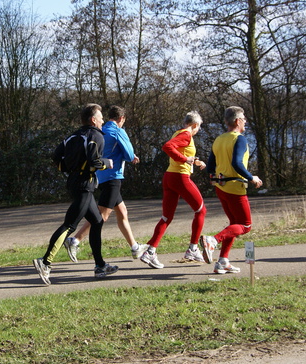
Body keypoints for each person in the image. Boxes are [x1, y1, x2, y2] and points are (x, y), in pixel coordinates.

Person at [33, 103, 119, 285]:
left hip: (74, 182)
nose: (103, 120)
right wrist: (107, 163)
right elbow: (95, 161)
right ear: (93, 120)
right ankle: (45, 262)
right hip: (84, 185)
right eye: (101, 117)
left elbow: (56, 157)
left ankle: (100, 265)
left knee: (97, 221)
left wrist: (70, 168)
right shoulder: (96, 136)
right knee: (69, 225)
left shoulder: (72, 136)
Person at [63, 105, 145, 262]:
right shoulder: (118, 131)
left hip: (100, 175)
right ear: (121, 118)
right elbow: (128, 155)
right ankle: (75, 240)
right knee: (102, 215)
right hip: (113, 177)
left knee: (122, 212)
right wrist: (131, 155)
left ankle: (135, 247)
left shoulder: (101, 130)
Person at [139, 110, 208, 269]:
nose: (198, 130)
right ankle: (193, 249)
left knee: (166, 217)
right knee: (201, 210)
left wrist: (194, 161)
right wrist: (185, 159)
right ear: (195, 125)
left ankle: (150, 251)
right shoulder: (186, 134)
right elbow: (168, 147)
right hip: (179, 178)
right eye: (199, 127)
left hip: (169, 177)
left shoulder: (178, 133)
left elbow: (180, 151)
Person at [201, 106, 263, 274]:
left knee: (234, 224)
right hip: (235, 187)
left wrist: (216, 179)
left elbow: (210, 168)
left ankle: (223, 261)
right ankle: (212, 241)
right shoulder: (240, 139)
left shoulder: (219, 139)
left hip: (221, 188)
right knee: (245, 225)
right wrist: (252, 177)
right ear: (237, 121)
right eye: (244, 119)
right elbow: (237, 163)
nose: (246, 122)